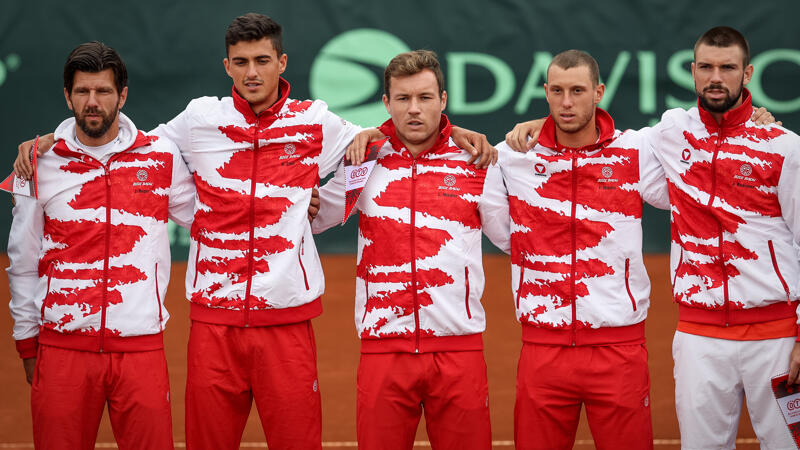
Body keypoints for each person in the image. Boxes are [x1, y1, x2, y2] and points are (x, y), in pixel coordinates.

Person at [13, 13, 496, 450]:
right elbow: (125, 142)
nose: (251, 72)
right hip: (213, 323)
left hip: (286, 323)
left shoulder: (315, 122)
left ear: (281, 62)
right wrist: (54, 139)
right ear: (226, 66)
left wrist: (456, 133)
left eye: (262, 60)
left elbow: (388, 136)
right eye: (240, 61)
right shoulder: (200, 119)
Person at [507, 27, 800, 449]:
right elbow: (588, 135)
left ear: (747, 73)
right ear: (693, 71)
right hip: (700, 336)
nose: (716, 77)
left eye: (728, 67)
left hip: (774, 334)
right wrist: (547, 121)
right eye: (707, 67)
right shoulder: (669, 133)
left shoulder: (782, 146)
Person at [311, 50, 510, 449]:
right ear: (386, 103)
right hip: (384, 350)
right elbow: (315, 217)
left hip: (458, 349)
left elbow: (512, 238)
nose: (414, 109)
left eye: (425, 98)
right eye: (403, 99)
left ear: (444, 100)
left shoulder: (476, 161)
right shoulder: (364, 160)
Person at [7, 41, 196, 450]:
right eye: (82, 92)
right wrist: (27, 342)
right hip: (62, 348)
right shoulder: (35, 165)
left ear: (122, 95)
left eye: (103, 91)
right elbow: (22, 261)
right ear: (67, 96)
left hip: (140, 348)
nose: (92, 102)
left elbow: (211, 215)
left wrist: (294, 202)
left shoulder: (160, 156)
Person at [491, 49, 669, 449]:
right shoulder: (513, 157)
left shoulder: (634, 151)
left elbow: (701, 142)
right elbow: (445, 145)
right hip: (543, 348)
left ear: (599, 92)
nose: (566, 102)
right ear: (546, 93)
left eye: (577, 91)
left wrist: (756, 119)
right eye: (557, 91)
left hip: (618, 349)